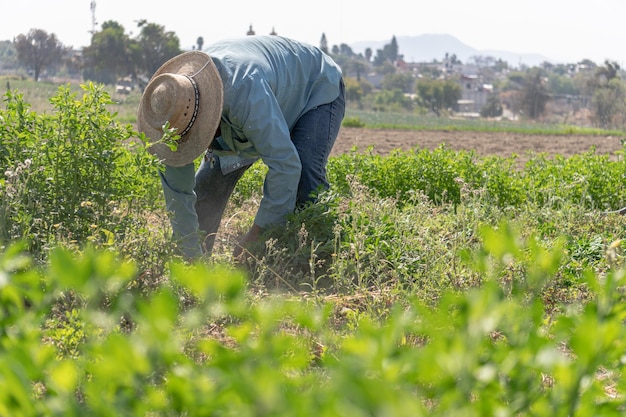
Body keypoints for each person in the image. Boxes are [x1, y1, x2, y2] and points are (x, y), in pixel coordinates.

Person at [137, 35, 345, 259]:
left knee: (304, 173)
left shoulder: (244, 94)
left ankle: (318, 257)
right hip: (255, 102)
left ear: (210, 117)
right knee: (207, 189)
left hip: (314, 86)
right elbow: (179, 197)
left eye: (196, 137)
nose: (192, 144)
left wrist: (257, 235)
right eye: (186, 140)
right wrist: (189, 263)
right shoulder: (173, 114)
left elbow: (286, 165)